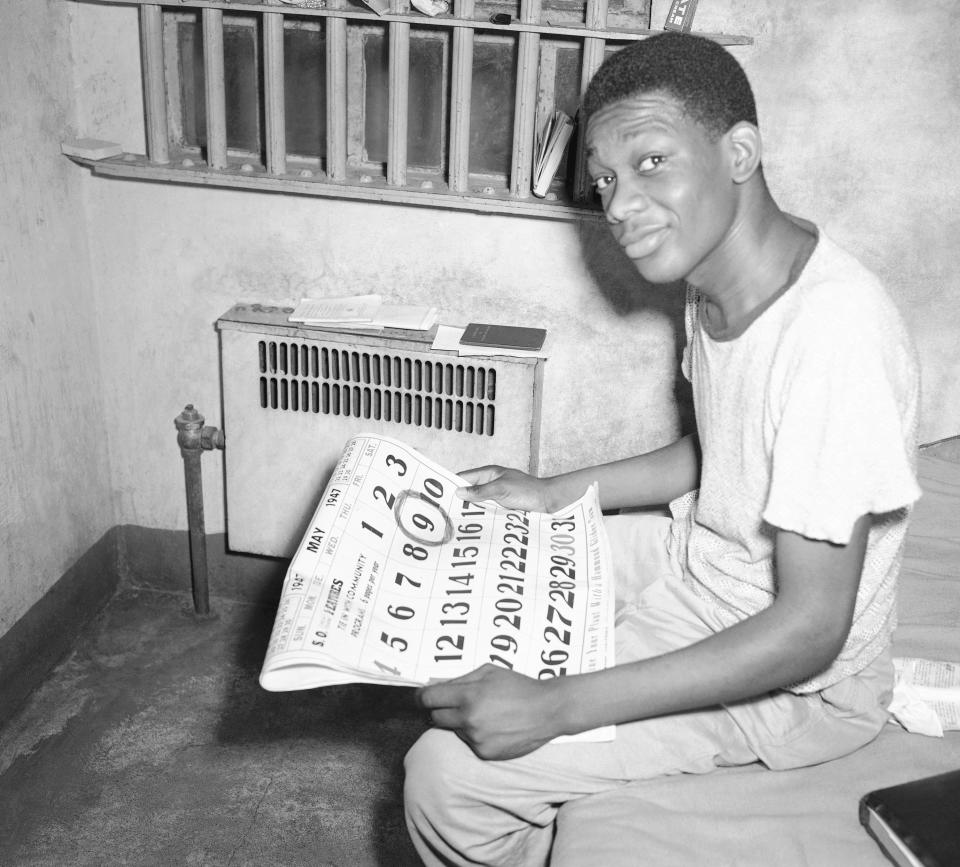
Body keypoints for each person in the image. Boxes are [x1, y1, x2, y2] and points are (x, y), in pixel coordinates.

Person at [404, 31, 921, 866]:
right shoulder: (716, 280)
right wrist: (550, 491)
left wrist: (562, 706)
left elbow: (810, 630)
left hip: (801, 680)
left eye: (650, 162)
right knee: (490, 551)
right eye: (605, 180)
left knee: (444, 774)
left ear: (739, 152)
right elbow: (720, 452)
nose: (616, 206)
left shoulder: (835, 339)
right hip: (702, 561)